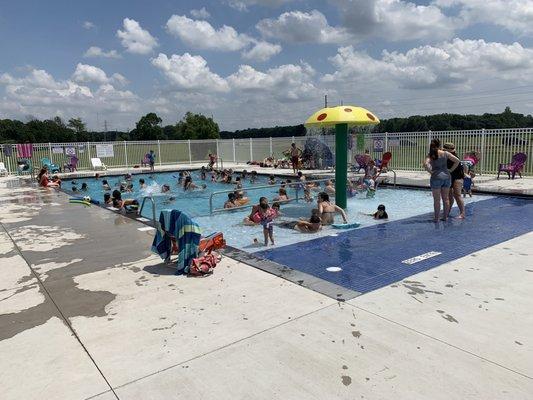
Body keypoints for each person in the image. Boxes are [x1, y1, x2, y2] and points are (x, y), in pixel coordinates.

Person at [424, 139, 460, 222]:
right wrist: (450, 170)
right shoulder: (445, 153)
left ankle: (436, 219)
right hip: (447, 177)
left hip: (436, 177)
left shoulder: (431, 154)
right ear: (440, 145)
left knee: (437, 200)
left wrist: (431, 172)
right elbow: (457, 161)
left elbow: (426, 164)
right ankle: (445, 217)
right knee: (446, 199)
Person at [443, 143, 466, 219]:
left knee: (457, 195)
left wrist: (451, 170)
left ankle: (462, 213)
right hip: (449, 177)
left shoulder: (453, 156)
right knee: (449, 196)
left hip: (457, 177)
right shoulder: (446, 155)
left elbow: (458, 162)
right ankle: (447, 212)